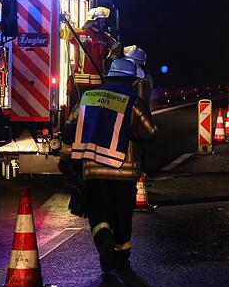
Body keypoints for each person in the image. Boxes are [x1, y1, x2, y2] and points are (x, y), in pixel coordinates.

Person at [59, 56, 157, 273]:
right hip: (124, 173)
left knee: (98, 213)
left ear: (109, 76)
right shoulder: (133, 102)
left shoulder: (87, 98)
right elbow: (150, 133)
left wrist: (65, 160)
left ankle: (104, 241)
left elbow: (69, 130)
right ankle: (121, 257)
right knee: (122, 215)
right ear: (132, 81)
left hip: (92, 172)